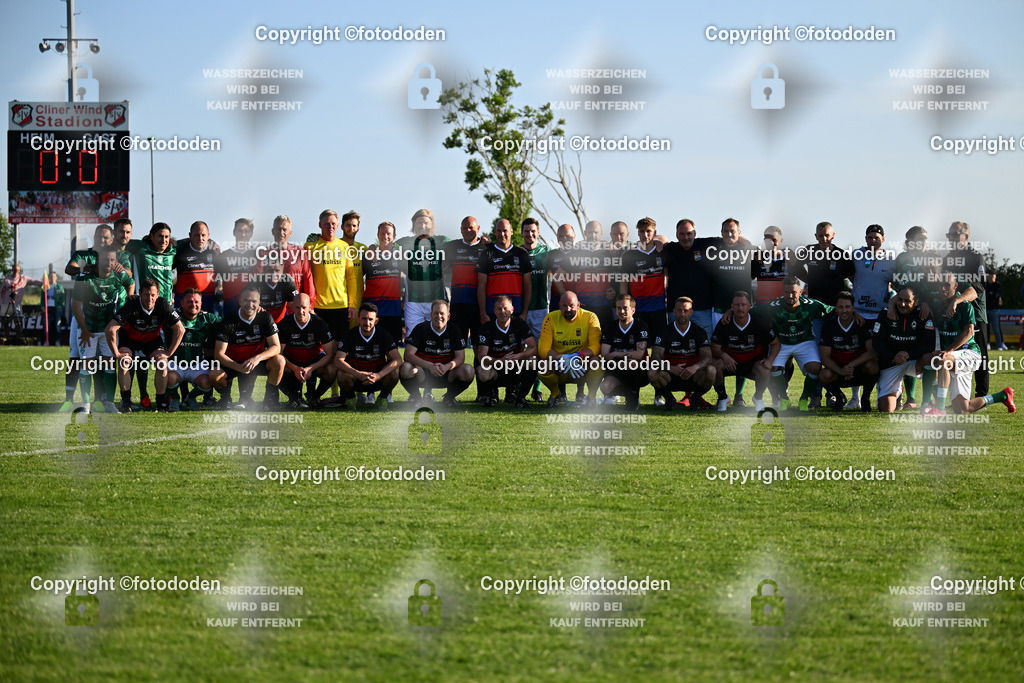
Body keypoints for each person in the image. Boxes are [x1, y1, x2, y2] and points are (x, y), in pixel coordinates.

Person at [929, 273, 1014, 415]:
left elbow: (969, 331)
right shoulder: (937, 305)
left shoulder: (965, 305)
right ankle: (1003, 396)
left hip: (970, 353)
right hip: (954, 357)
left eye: (947, 285)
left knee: (943, 361)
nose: (943, 288)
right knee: (963, 409)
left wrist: (948, 350)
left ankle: (939, 409)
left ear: (956, 286)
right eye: (940, 285)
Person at [749, 276, 834, 411]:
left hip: (804, 342)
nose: (790, 296)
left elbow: (834, 310)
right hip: (781, 343)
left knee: (815, 368)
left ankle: (804, 399)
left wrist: (855, 314)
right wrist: (730, 312)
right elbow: (751, 311)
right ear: (782, 292)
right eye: (787, 292)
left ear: (800, 292)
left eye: (793, 292)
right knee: (773, 368)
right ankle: (784, 398)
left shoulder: (811, 305)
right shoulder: (773, 306)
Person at [70, 247, 135, 413]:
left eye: (112, 260)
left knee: (109, 365)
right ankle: (85, 405)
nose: (109, 263)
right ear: (98, 260)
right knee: (86, 366)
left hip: (108, 330)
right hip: (88, 329)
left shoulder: (119, 275)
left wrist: (129, 298)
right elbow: (76, 306)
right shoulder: (85, 278)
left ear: (116, 261)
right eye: (106, 260)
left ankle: (110, 404)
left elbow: (131, 282)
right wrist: (84, 330)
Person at [106, 278, 185, 413]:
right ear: (140, 293)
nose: (149, 298)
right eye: (146, 294)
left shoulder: (162, 304)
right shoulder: (132, 304)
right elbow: (110, 329)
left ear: (158, 294)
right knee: (124, 362)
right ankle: (126, 402)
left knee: (162, 363)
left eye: (153, 295)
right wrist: (116, 353)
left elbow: (180, 329)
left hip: (151, 339)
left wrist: (169, 353)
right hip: (130, 339)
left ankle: (161, 404)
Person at [209, 283, 286, 411]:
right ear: (239, 301)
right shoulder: (229, 320)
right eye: (246, 300)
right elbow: (219, 354)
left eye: (254, 301)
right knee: (214, 375)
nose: (250, 305)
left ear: (259, 302)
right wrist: (238, 367)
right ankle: (226, 398)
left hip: (254, 362)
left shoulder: (265, 317)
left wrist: (257, 358)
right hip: (233, 363)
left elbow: (276, 347)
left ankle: (268, 400)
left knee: (280, 361)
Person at [848, 224, 895, 408]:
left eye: (876, 237)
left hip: (880, 315)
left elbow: (897, 285)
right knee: (856, 353)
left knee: (878, 356)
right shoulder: (856, 255)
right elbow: (849, 276)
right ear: (865, 239)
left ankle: (879, 396)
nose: (873, 240)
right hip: (858, 313)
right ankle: (855, 398)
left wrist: (891, 302)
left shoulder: (890, 259)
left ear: (883, 239)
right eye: (870, 237)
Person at [869, 286, 936, 414]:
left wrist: (908, 355)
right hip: (891, 363)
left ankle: (927, 402)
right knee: (886, 409)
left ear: (916, 302)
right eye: (900, 300)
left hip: (913, 361)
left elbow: (929, 345)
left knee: (931, 359)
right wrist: (893, 357)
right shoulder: (886, 313)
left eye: (907, 301)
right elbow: (877, 342)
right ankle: (898, 389)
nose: (902, 304)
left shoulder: (923, 314)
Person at [942, 221, 989, 399]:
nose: (951, 238)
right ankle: (957, 397)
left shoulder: (975, 257)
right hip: (954, 314)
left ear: (966, 236)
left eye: (955, 235)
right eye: (949, 235)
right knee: (953, 353)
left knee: (980, 354)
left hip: (976, 313)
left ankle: (981, 395)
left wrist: (958, 297)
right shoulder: (947, 258)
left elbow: (979, 287)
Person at [710, 291, 779, 412]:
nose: (740, 308)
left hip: (752, 364)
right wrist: (723, 355)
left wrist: (770, 360)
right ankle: (723, 397)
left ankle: (758, 397)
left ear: (749, 306)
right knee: (715, 364)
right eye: (737, 305)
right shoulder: (724, 322)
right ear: (732, 307)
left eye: (743, 305)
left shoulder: (759, 322)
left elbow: (776, 344)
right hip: (730, 364)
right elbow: (714, 347)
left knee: (764, 368)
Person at [400, 299, 473, 407]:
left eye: (442, 313)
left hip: (446, 373)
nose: (439, 316)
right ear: (431, 315)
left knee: (468, 370)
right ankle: (416, 397)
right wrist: (430, 366)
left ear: (448, 316)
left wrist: (446, 367)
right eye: (436, 313)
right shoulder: (421, 328)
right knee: (405, 368)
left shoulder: (454, 329)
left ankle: (449, 398)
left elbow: (460, 358)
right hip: (423, 373)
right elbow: (408, 355)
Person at [648, 296, 716, 410]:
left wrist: (694, 367)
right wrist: (671, 368)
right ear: (674, 311)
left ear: (691, 312)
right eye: (679, 310)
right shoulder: (664, 331)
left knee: (711, 370)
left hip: (693, 375)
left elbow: (708, 358)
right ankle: (669, 399)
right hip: (670, 376)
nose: (682, 314)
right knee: (652, 372)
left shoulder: (699, 331)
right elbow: (655, 358)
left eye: (686, 310)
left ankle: (695, 398)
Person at [537, 291, 603, 407]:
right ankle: (555, 394)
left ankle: (591, 397)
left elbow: (596, 347)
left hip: (581, 364)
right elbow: (543, 349)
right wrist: (561, 358)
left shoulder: (590, 317)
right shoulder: (550, 318)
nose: (568, 309)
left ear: (578, 305)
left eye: (571, 306)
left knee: (596, 361)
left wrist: (576, 356)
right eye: (564, 306)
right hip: (560, 364)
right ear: (559, 306)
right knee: (542, 365)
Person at [305, 209, 359, 342]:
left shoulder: (344, 246)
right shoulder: (310, 246)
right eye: (327, 224)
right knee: (319, 346)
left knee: (340, 346)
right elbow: (305, 275)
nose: (331, 227)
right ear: (320, 225)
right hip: (318, 307)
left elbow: (351, 277)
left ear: (338, 225)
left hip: (341, 306)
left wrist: (352, 304)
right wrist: (309, 304)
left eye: (333, 224)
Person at [818, 291, 878, 411]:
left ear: (853, 308)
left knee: (873, 366)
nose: (844, 310)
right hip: (839, 371)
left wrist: (851, 365)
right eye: (840, 307)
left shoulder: (862, 324)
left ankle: (865, 398)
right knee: (824, 375)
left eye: (847, 307)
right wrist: (841, 370)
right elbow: (824, 357)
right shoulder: (829, 326)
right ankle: (839, 397)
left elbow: (872, 352)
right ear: (835, 308)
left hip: (858, 369)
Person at [335, 302, 402, 409]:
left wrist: (379, 375)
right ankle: (351, 399)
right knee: (342, 374)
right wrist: (358, 374)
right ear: (358, 319)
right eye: (364, 319)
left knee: (394, 372)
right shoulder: (349, 335)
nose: (367, 322)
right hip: (356, 378)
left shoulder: (383, 335)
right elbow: (338, 360)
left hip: (377, 378)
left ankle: (382, 398)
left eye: (371, 319)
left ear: (376, 321)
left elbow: (398, 360)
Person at [475, 295, 537, 408]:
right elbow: (481, 357)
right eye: (499, 309)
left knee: (534, 361)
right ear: (494, 311)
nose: (502, 312)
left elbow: (533, 347)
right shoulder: (487, 327)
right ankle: (489, 396)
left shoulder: (519, 323)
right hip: (496, 369)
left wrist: (519, 356)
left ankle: (520, 398)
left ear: (512, 309)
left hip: (514, 368)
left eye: (505, 308)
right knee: (482, 370)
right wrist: (500, 361)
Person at [278, 293, 337, 409]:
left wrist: (310, 368)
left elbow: (330, 354)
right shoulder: (285, 324)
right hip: (292, 362)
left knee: (332, 368)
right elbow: (278, 353)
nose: (301, 311)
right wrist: (295, 368)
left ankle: (315, 397)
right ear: (292, 307)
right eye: (297, 307)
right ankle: (293, 397)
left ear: (310, 307)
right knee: (276, 365)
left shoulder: (319, 323)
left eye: (304, 307)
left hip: (314, 361)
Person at [166, 288, 220, 411]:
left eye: (196, 302)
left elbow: (228, 322)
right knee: (169, 379)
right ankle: (175, 397)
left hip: (197, 364)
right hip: (175, 363)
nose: (193, 304)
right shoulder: (173, 316)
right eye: (189, 301)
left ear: (201, 304)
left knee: (207, 383)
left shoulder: (207, 318)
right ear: (182, 303)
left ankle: (190, 397)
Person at [662, 219, 716, 338]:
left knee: (704, 345)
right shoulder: (670, 249)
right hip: (676, 311)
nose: (686, 237)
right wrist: (659, 241)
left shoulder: (706, 245)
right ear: (677, 235)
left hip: (702, 310)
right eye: (682, 234)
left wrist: (747, 243)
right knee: (675, 345)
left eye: (689, 233)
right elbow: (658, 240)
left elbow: (730, 238)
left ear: (695, 234)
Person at [599, 294, 650, 410]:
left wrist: (616, 354)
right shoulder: (610, 328)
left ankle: (634, 394)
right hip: (617, 368)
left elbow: (639, 354)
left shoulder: (641, 326)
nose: (622, 311)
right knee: (605, 387)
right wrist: (619, 363)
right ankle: (629, 394)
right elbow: (605, 355)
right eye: (619, 308)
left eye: (625, 308)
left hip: (639, 371)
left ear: (633, 310)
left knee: (631, 363)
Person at [475, 218, 532, 323]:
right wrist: (483, 313)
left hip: (516, 311)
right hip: (492, 312)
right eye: (499, 231)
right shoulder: (486, 254)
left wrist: (524, 313)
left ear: (511, 231)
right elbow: (481, 286)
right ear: (495, 232)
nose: (502, 234)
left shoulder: (521, 254)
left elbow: (528, 286)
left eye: (505, 230)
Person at [403, 209, 448, 334]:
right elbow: (386, 246)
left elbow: (462, 246)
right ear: (413, 224)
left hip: (437, 300)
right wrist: (373, 247)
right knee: (413, 338)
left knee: (437, 336)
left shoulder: (442, 241)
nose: (423, 226)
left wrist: (444, 268)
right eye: (419, 223)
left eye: (426, 223)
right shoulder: (404, 243)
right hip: (413, 301)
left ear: (432, 224)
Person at [443, 216, 487, 344]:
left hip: (479, 306)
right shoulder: (452, 246)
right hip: (458, 304)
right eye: (465, 228)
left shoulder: (486, 248)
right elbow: (438, 263)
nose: (468, 230)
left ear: (478, 228)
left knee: (479, 345)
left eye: (471, 227)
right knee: (458, 345)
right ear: (461, 229)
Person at [361, 221, 405, 344]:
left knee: (393, 350)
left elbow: (412, 276)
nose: (385, 236)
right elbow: (356, 279)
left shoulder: (400, 256)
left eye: (388, 233)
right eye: (382, 233)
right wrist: (371, 248)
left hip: (393, 312)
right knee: (371, 349)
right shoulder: (369, 256)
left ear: (394, 236)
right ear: (378, 235)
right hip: (372, 313)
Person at [620, 217, 667, 331]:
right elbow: (624, 282)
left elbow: (668, 276)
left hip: (659, 308)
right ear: (638, 233)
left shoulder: (662, 252)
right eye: (642, 231)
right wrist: (624, 305)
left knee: (659, 341)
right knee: (640, 341)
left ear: (655, 232)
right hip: (638, 309)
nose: (645, 235)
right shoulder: (629, 255)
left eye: (648, 231)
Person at [521, 217, 550, 401]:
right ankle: (516, 389)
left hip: (540, 309)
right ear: (522, 233)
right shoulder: (517, 252)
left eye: (533, 231)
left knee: (540, 351)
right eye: (526, 231)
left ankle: (537, 389)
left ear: (538, 232)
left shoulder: (547, 252)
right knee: (519, 349)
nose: (530, 234)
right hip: (520, 309)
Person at [265, 215, 316, 306]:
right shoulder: (264, 253)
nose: (281, 232)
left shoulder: (299, 252)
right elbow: (258, 281)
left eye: (284, 230)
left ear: (290, 233)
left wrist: (310, 305)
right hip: (273, 306)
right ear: (272, 231)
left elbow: (308, 278)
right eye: (278, 229)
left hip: (296, 305)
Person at [214, 218, 257, 319]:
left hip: (252, 306)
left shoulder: (257, 254)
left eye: (246, 231)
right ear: (234, 232)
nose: (243, 234)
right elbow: (218, 283)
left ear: (251, 234)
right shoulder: (224, 256)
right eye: (239, 231)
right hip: (230, 305)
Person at [173, 220, 218, 309]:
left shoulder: (214, 252)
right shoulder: (180, 252)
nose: (200, 238)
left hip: (208, 302)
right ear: (190, 235)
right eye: (197, 235)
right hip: (185, 304)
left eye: (203, 235)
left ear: (208, 235)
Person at [752, 226, 787, 304]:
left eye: (774, 240)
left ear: (781, 240)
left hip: (783, 308)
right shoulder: (758, 259)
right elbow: (745, 281)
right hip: (764, 307)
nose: (771, 243)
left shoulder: (790, 259)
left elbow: (806, 278)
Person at [984, 272, 1006, 351]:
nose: (991, 276)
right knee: (986, 328)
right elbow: (985, 295)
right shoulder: (985, 284)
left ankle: (999, 345)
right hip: (986, 309)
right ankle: (987, 344)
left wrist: (990, 294)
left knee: (996, 329)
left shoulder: (997, 285)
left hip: (994, 310)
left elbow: (996, 295)